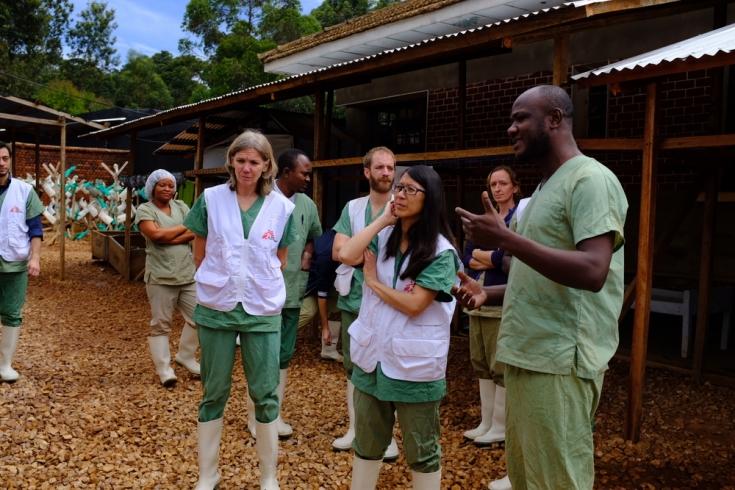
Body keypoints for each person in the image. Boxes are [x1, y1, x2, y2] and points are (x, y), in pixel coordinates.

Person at [454, 85, 628, 490]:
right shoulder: (547, 188)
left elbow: (593, 269)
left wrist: (506, 240)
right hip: (528, 355)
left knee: (557, 481)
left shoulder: (590, 180)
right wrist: (487, 293)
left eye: (520, 118)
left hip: (560, 359)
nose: (511, 128)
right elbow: (534, 273)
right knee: (528, 477)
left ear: (554, 119)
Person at [184, 130, 296, 490]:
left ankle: (268, 476)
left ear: (267, 165)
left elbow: (281, 257)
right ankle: (208, 474)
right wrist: (214, 279)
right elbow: (198, 252)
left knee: (264, 392)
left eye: (255, 161)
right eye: (242, 160)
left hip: (261, 309)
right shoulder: (211, 199)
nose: (247, 167)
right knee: (213, 390)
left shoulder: (282, 207)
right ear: (231, 160)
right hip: (217, 305)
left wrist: (256, 280)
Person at [339, 165, 460, 490]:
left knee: (422, 450)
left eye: (409, 190)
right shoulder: (383, 237)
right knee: (367, 443)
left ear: (430, 198)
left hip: (415, 368)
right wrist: (383, 219)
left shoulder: (441, 252)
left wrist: (374, 283)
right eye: (398, 188)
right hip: (372, 359)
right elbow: (347, 253)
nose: (400, 195)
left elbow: (415, 304)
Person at [331, 146, 398, 459]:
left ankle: (389, 437)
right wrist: (363, 259)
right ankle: (356, 428)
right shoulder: (353, 208)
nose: (386, 173)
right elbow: (338, 252)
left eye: (391, 167)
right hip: (354, 299)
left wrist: (357, 252)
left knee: (389, 364)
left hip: (389, 300)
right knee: (354, 365)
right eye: (380, 167)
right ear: (367, 172)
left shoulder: (404, 205)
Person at [257, 148, 322, 439]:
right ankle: (257, 417)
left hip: (293, 290)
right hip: (264, 292)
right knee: (262, 355)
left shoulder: (307, 204)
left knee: (284, 355)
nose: (308, 178)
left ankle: (275, 415)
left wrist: (308, 252)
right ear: (285, 173)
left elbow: (314, 236)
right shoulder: (264, 200)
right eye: (304, 173)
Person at [461, 166, 520, 447]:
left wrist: (488, 257)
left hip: (499, 302)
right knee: (481, 362)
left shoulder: (518, 219)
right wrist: (491, 256)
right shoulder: (485, 219)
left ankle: (499, 425)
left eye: (502, 183)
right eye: (493, 183)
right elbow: (468, 254)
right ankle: (486, 422)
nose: (497, 188)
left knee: (499, 364)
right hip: (477, 303)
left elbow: (511, 261)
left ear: (514, 187)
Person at [136, 169, 199, 387]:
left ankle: (186, 356)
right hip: (161, 277)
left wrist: (168, 235)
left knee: (200, 317)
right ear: (152, 187)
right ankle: (164, 369)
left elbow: (197, 230)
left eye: (170, 185)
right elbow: (155, 235)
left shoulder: (181, 207)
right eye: (162, 185)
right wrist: (182, 230)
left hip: (187, 274)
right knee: (161, 324)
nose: (167, 189)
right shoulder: (145, 209)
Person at [0, 142, 43, 383]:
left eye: (5, 158)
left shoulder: (24, 191)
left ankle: (5, 364)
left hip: (15, 263)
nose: (1, 163)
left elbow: (35, 229)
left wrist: (35, 257)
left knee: (12, 313)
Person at [297, 228, 343, 362]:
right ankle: (265, 336)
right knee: (308, 310)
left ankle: (329, 350)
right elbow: (321, 295)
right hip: (308, 285)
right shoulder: (326, 256)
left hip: (327, 281)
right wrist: (325, 327)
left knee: (337, 304)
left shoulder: (339, 234)